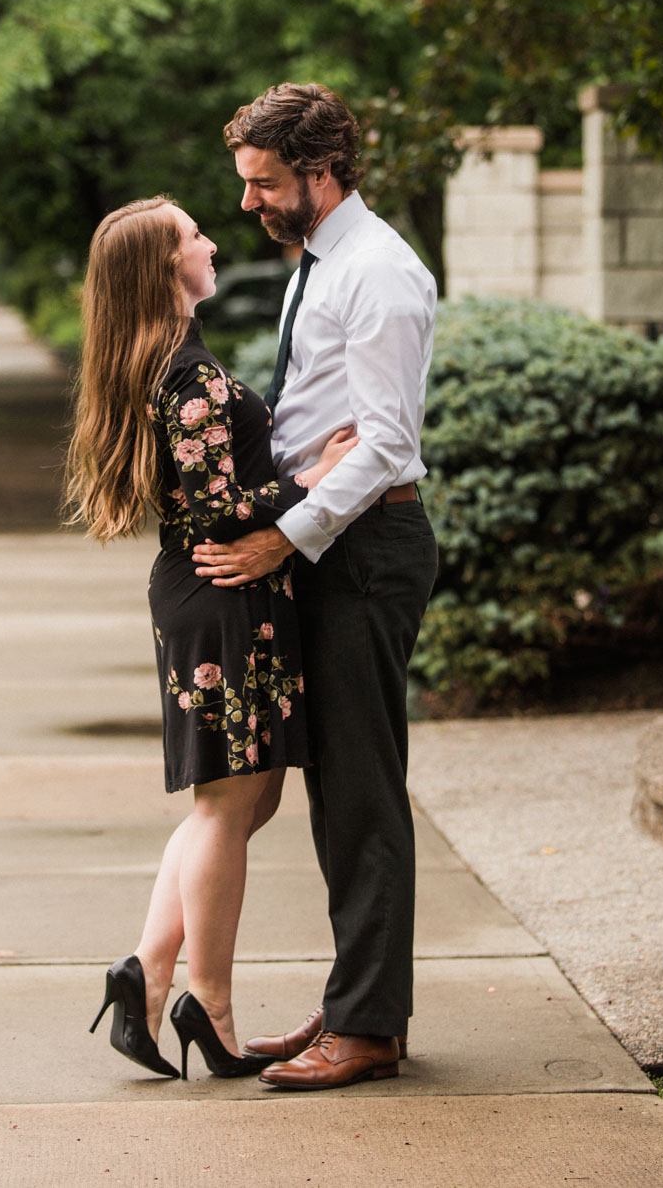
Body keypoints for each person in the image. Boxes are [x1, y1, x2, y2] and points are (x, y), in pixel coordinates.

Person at [66, 195, 356, 1081]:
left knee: (244, 801)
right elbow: (211, 508)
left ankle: (146, 977)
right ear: (165, 267)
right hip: (222, 597)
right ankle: (211, 1007)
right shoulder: (185, 376)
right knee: (229, 806)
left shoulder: (169, 362)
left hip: (225, 598)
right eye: (195, 236)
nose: (213, 241)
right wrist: (315, 475)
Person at [192, 82, 439, 1092]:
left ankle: (370, 1027)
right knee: (336, 789)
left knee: (361, 790)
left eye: (263, 183)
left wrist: (280, 541)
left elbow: (384, 442)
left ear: (321, 172)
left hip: (365, 555)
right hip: (334, 545)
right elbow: (313, 418)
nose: (249, 202)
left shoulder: (379, 273)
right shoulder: (323, 262)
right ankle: (355, 1002)